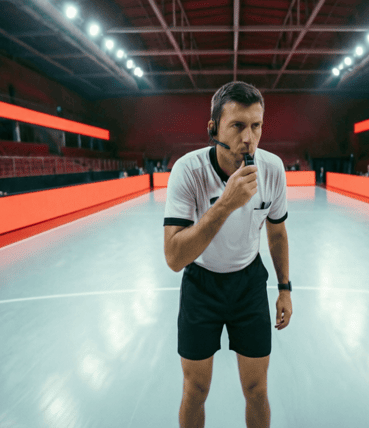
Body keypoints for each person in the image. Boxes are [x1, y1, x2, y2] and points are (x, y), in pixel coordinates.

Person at [163, 81, 292, 428]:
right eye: (237, 126)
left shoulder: (273, 169)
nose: (248, 138)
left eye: (256, 126)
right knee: (195, 389)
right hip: (201, 284)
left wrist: (285, 288)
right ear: (212, 129)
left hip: (249, 284)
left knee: (256, 389)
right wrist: (225, 204)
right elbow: (174, 258)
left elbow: (277, 231)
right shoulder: (188, 171)